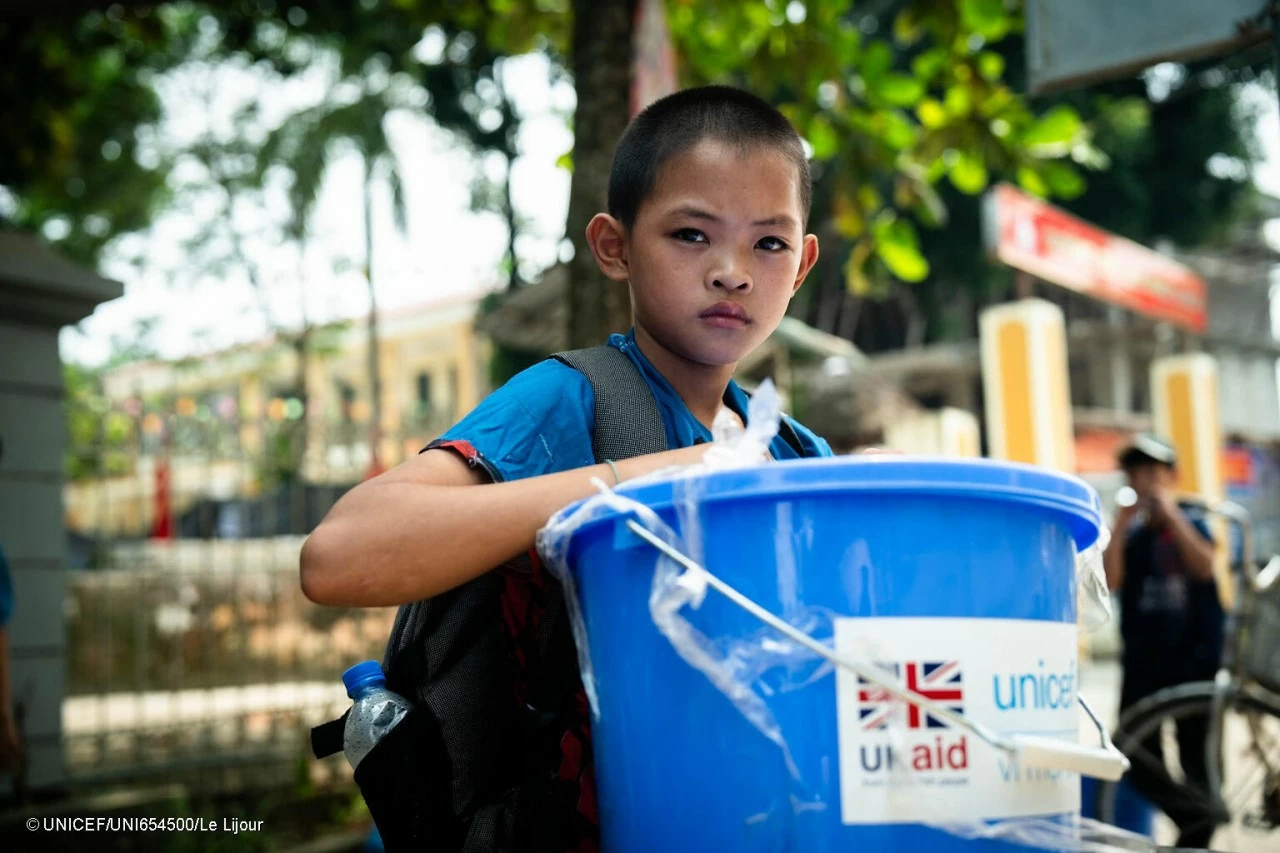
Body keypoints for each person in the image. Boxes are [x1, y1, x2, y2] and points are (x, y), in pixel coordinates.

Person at [301, 86, 830, 850]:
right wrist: (645, 476)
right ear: (614, 245)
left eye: (768, 243)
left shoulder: (801, 455)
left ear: (804, 260)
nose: (732, 271)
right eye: (690, 234)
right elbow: (336, 556)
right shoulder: (576, 401)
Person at [1103, 434, 1221, 847]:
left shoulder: (1195, 521)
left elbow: (1206, 568)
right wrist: (1119, 522)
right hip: (1144, 664)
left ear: (1172, 477)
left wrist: (1172, 515)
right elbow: (1111, 581)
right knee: (1134, 754)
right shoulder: (1132, 538)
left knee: (1198, 760)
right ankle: (1195, 818)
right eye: (1136, 474)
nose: (1145, 483)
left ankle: (1196, 838)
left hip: (1196, 660)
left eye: (1153, 473)